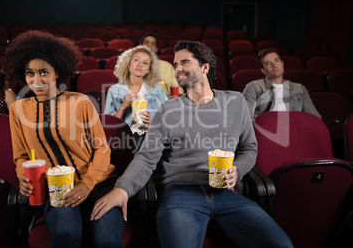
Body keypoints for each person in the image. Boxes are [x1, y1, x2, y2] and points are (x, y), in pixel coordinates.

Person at [91, 41, 293, 248]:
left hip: (227, 194)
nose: (178, 68)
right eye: (176, 64)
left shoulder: (235, 101)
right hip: (180, 194)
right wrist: (122, 189)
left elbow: (249, 148)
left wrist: (238, 169)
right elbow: (146, 157)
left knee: (282, 245)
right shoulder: (167, 110)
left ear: (205, 67)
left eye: (185, 62)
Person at [4, 30, 125, 248]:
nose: (36, 80)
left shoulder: (80, 102)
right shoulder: (18, 110)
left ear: (57, 71)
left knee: (107, 240)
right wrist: (22, 175)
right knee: (66, 234)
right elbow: (21, 156)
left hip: (99, 184)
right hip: (58, 188)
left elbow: (102, 150)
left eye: (43, 72)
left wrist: (87, 185)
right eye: (30, 73)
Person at [104, 45, 168, 151]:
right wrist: (123, 107)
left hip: (150, 137)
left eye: (145, 63)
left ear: (148, 70)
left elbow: (167, 119)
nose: (140, 64)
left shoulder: (157, 89)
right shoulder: (115, 90)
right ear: (128, 64)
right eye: (136, 60)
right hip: (124, 137)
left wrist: (151, 123)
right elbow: (109, 125)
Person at [242, 48, 321, 119]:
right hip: (267, 131)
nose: (274, 65)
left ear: (282, 64)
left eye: (277, 61)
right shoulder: (253, 87)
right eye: (268, 63)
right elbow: (246, 118)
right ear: (263, 70)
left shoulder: (299, 88)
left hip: (295, 131)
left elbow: (315, 118)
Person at [139, 32, 184, 97]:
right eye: (146, 43)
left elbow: (178, 92)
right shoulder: (134, 67)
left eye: (153, 44)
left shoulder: (167, 67)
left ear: (156, 49)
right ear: (140, 46)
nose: (149, 45)